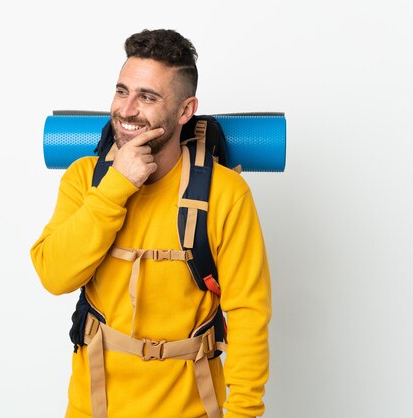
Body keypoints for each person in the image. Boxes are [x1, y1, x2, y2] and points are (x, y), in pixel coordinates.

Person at [30, 29, 271, 418]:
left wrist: (243, 413)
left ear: (185, 110)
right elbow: (54, 276)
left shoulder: (226, 194)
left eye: (147, 97)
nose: (126, 110)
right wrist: (115, 188)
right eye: (122, 91)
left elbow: (248, 316)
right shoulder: (84, 178)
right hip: (94, 408)